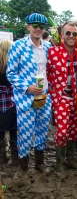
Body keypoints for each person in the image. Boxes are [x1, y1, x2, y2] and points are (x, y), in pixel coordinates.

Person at [6, 13, 52, 183]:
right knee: (25, 133)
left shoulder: (47, 47)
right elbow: (10, 72)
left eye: (41, 26)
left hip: (45, 96)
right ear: (28, 26)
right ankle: (23, 167)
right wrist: (26, 86)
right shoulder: (18, 46)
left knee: (42, 131)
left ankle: (39, 163)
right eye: (34, 25)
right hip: (26, 98)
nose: (38, 28)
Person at [47, 21, 77, 188]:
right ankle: (59, 165)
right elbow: (43, 73)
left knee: (74, 130)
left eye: (74, 33)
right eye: (68, 33)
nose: (71, 36)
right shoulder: (52, 52)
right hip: (60, 99)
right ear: (61, 35)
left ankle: (70, 159)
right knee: (62, 131)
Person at [0, 40, 18, 166]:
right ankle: (15, 159)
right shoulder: (14, 64)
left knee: (0, 132)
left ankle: (2, 157)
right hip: (12, 101)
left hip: (1, 101)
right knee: (13, 131)